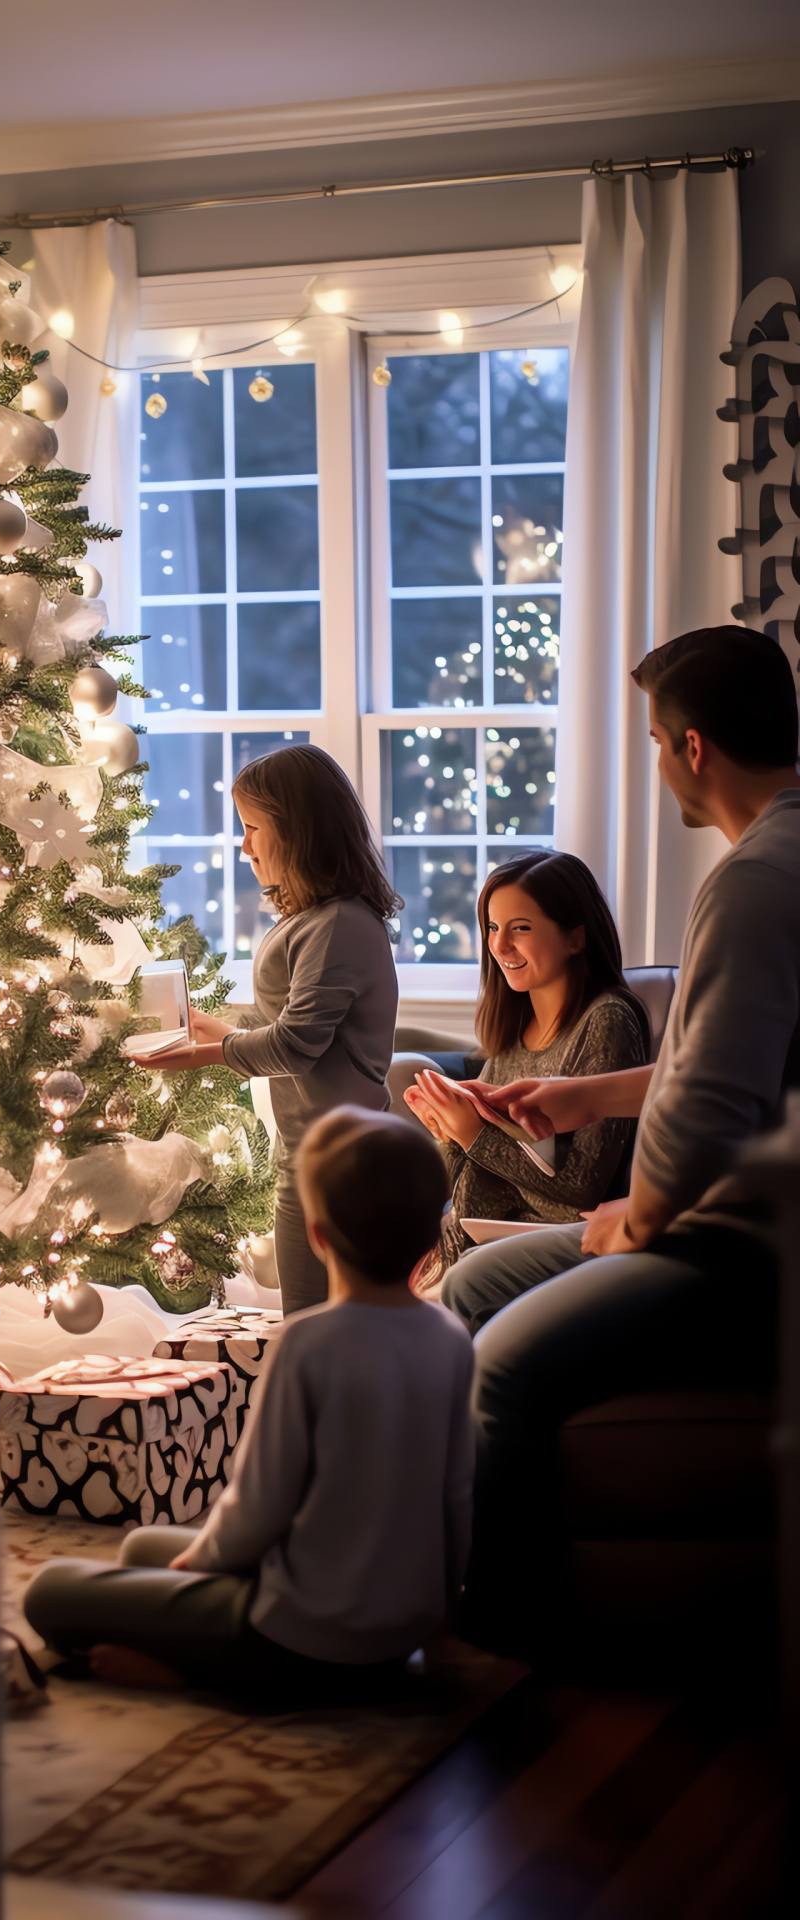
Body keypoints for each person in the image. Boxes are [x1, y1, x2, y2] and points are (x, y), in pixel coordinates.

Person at [439, 625, 800, 1652]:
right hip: (721, 1224)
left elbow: (715, 1106)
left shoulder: (751, 881)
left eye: (652, 737)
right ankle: (437, 1556)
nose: (655, 762)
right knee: (465, 1286)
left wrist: (634, 1219)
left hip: (737, 1247)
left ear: (690, 749)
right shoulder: (773, 861)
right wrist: (587, 1099)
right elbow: (728, 1061)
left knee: (496, 1365)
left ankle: (501, 1631)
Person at [22, 1107, 474, 1703]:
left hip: (296, 1634)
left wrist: (199, 1571)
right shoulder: (450, 1337)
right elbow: (456, 1493)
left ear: (317, 1236)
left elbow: (259, 1508)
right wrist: (439, 1611)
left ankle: (203, 1675)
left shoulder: (308, 1345)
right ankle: (249, 1651)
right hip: (402, 1629)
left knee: (50, 1591)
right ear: (428, 1236)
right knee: (142, 1548)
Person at [153, 743, 400, 1314]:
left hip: (340, 1168)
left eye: (252, 828)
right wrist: (205, 1028)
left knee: (325, 1324)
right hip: (307, 1158)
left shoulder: (339, 924)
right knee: (309, 1319)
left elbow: (297, 1045)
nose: (244, 846)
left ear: (298, 831)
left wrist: (207, 1054)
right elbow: (282, 1024)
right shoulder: (313, 920)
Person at [403, 852, 649, 1283]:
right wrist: (445, 1127)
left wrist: (472, 1134)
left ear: (576, 938)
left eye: (521, 928)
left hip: (559, 1238)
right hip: (480, 1233)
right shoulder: (515, 1029)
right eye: (493, 928)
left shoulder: (606, 1022)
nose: (498, 946)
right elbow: (469, 1178)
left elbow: (579, 1197)